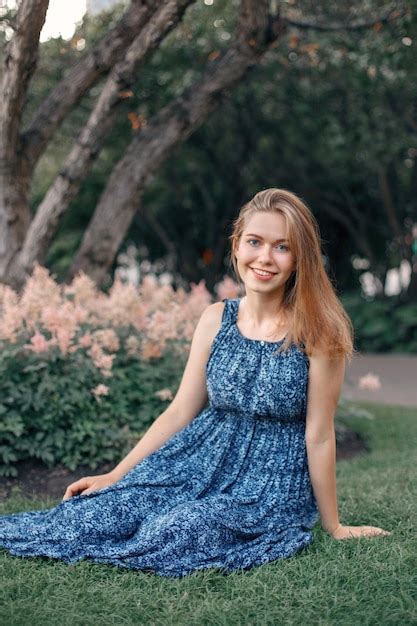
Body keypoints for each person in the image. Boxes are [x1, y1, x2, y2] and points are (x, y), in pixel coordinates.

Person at [0, 188, 390, 577]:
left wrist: (333, 525)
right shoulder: (216, 318)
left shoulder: (319, 332)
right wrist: (115, 476)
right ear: (237, 246)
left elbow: (319, 434)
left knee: (175, 530)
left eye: (282, 247)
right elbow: (180, 411)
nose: (265, 258)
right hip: (193, 464)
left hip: (266, 488)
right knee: (94, 515)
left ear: (298, 259)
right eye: (254, 242)